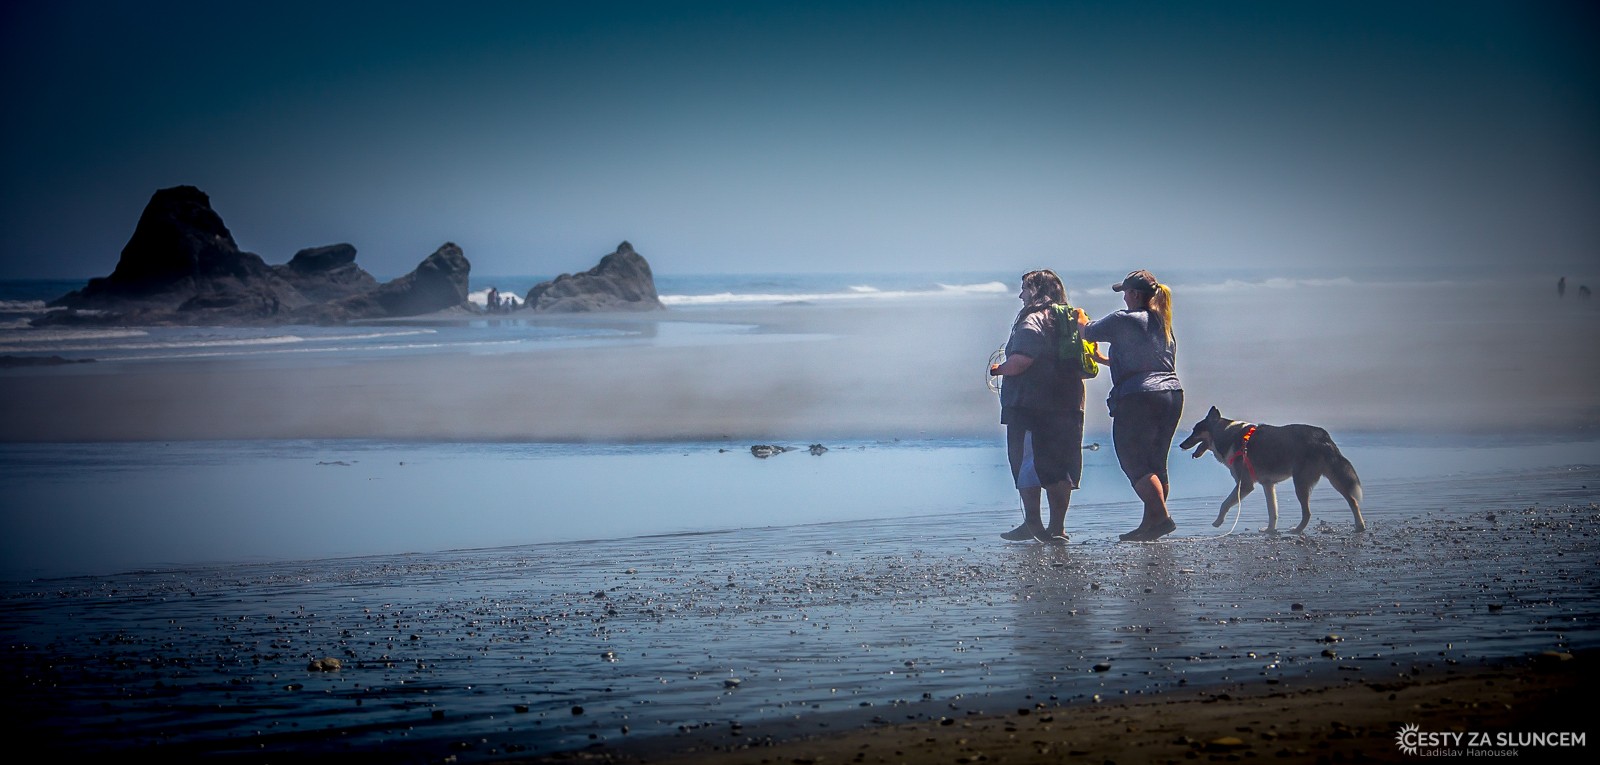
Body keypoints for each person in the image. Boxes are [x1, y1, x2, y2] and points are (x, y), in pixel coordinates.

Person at [1076, 269, 1183, 542]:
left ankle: (1161, 517)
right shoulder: (1162, 322)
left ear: (1134, 294)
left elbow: (1087, 332)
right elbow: (1150, 362)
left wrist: (1078, 316)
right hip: (1171, 394)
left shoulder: (1123, 319)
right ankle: (1150, 525)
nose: (1123, 297)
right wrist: (1104, 360)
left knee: (1133, 459)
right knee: (1156, 461)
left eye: (1125, 292)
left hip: (1139, 397)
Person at [989, 270, 1086, 543]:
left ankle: (1033, 522)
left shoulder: (1032, 320)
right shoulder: (1071, 318)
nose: (1020, 295)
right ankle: (1058, 527)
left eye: (1024, 289)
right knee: (1061, 466)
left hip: (1031, 407)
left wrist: (999, 369)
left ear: (1035, 291)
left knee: (1027, 465)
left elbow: (1021, 361)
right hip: (1069, 403)